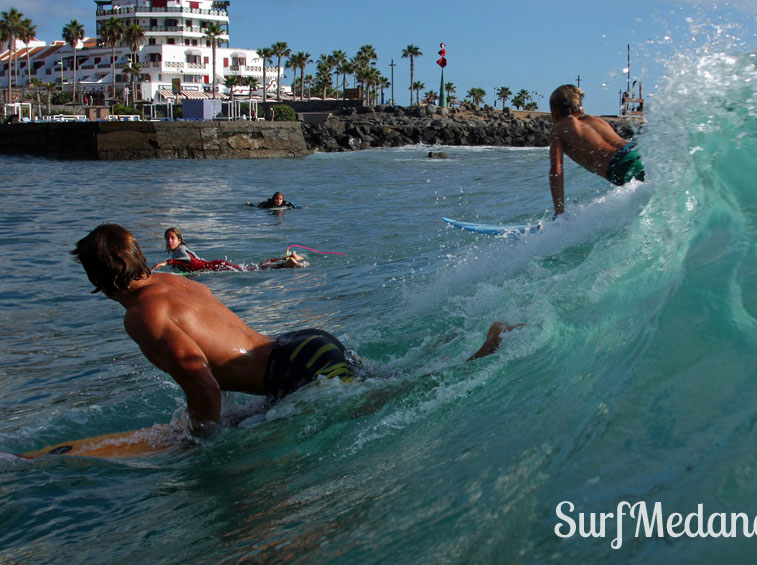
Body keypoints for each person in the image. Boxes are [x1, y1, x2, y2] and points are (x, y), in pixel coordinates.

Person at [71, 225, 521, 435]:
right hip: (301, 348)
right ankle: (455, 346)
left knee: (400, 394)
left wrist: (203, 442)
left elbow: (203, 383)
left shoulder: (141, 316)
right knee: (389, 379)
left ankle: (487, 349)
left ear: (97, 277)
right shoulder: (170, 282)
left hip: (294, 369)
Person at [547, 84, 645, 216]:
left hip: (621, 166)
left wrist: (559, 212)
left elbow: (556, 170)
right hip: (637, 151)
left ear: (555, 111)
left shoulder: (558, 130)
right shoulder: (596, 120)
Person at [150, 227, 307, 273]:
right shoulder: (180, 249)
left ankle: (285, 264)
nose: (169, 241)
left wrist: (165, 263)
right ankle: (285, 259)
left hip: (215, 266)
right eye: (167, 238)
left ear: (179, 239)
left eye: (172, 238)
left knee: (252, 269)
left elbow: (189, 261)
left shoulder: (180, 251)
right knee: (253, 267)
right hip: (214, 265)